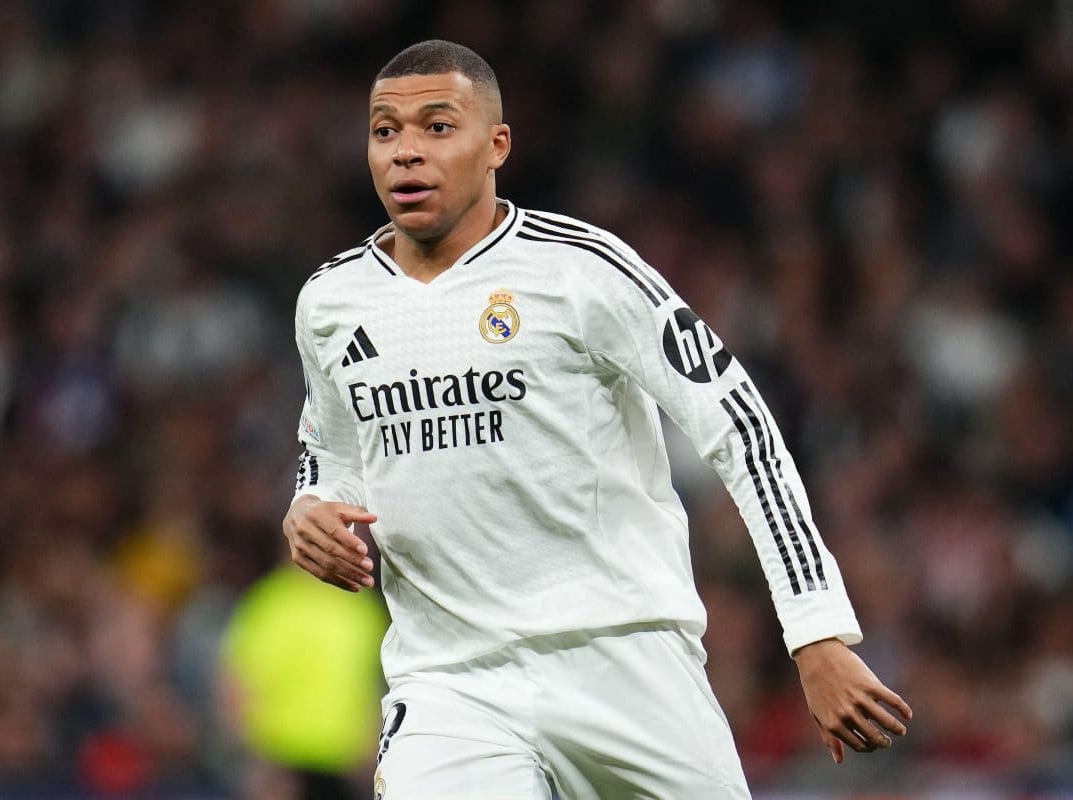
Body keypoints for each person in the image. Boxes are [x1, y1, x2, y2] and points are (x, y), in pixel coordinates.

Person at [283, 39, 911, 799]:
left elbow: (739, 428)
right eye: (385, 131)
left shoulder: (583, 270)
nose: (405, 151)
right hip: (450, 679)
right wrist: (311, 505)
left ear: (496, 146)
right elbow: (332, 452)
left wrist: (816, 631)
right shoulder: (332, 301)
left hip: (625, 658)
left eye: (437, 127)